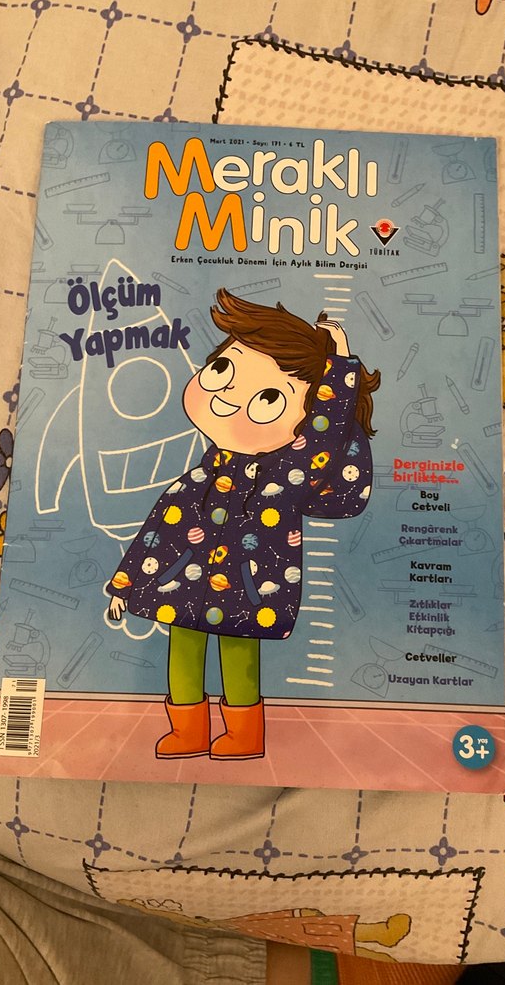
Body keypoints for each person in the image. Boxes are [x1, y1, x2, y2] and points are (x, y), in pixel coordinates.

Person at [107, 288, 380, 762]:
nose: (227, 397)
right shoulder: (200, 477)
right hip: (181, 584)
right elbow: (159, 531)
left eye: (269, 398)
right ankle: (188, 730)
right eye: (221, 370)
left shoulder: (286, 475)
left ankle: (244, 735)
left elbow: (323, 436)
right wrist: (124, 585)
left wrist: (339, 369)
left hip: (249, 589)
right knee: (183, 648)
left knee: (238, 654)